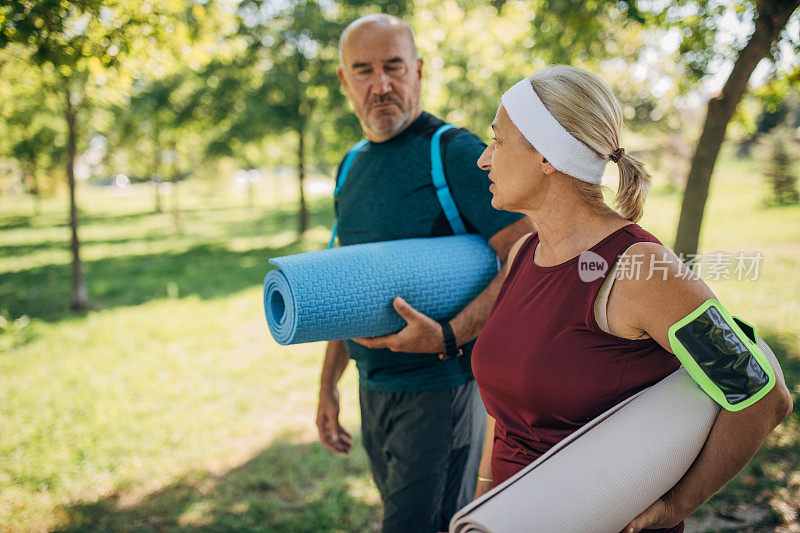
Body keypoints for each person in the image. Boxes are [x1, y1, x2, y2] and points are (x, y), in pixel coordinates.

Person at [470, 65, 792, 533]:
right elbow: (503, 411)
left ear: (547, 155)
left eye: (497, 141)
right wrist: (481, 500)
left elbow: (762, 398)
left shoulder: (641, 271)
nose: (484, 159)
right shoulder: (524, 254)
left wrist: (678, 505)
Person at [314, 14, 534, 533]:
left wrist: (449, 335)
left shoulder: (453, 152)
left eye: (394, 67)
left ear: (418, 70)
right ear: (345, 81)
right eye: (363, 71)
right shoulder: (351, 165)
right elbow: (351, 284)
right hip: (375, 388)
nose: (381, 84)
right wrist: (328, 385)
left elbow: (528, 250)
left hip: (440, 390)